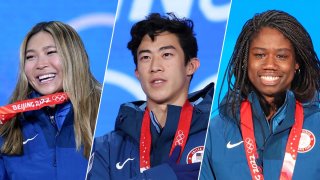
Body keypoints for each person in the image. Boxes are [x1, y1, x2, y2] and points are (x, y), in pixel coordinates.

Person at [87, 13, 214, 180]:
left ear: (190, 66)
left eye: (166, 54)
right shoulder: (106, 148)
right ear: (137, 73)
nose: (155, 67)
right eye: (146, 57)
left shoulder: (216, 134)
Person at [200, 10, 320, 179]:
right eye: (260, 55)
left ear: (296, 63)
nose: (270, 64)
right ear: (245, 61)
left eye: (281, 56)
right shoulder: (215, 131)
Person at [0, 21, 101, 179]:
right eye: (30, 57)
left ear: (73, 56)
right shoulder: (9, 127)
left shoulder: (107, 113)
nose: (40, 64)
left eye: (51, 52)